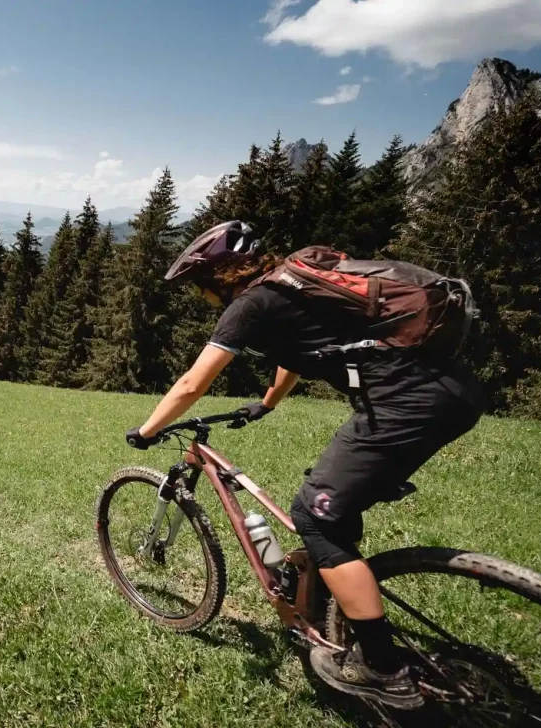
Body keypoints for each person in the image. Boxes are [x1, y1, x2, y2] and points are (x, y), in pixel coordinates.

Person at [125, 221, 484, 709]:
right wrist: (269, 402)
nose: (202, 298)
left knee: (315, 516)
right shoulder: (294, 282)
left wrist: (146, 431)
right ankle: (325, 600)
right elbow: (293, 351)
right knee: (331, 507)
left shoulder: (249, 303)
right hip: (450, 392)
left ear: (217, 277)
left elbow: (193, 382)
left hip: (409, 402)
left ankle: (382, 668)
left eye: (200, 287)